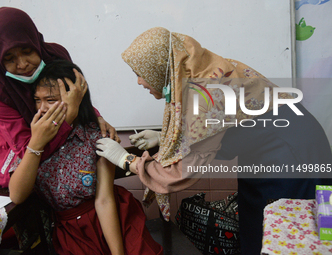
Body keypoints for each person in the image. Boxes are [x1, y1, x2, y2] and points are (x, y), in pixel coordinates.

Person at [95, 27, 332, 254]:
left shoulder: (205, 94)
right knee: (255, 223)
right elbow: (223, 131)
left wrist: (126, 160)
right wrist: (163, 137)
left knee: (290, 234)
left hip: (291, 156)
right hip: (275, 146)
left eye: (140, 73)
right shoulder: (199, 70)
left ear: (159, 67)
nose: (139, 82)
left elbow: (180, 174)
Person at [8, 60, 163, 255]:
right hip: (71, 232)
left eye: (51, 99)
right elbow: (17, 195)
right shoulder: (29, 138)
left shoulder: (94, 133)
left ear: (75, 98)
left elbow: (104, 200)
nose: (43, 109)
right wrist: (36, 144)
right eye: (37, 100)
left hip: (113, 220)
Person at [0, 7, 119, 188]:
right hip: (24, 153)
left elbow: (76, 96)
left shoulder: (55, 56)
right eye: (10, 58)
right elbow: (29, 150)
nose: (22, 64)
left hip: (62, 145)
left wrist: (95, 116)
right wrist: (68, 117)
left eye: (27, 51)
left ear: (35, 41)